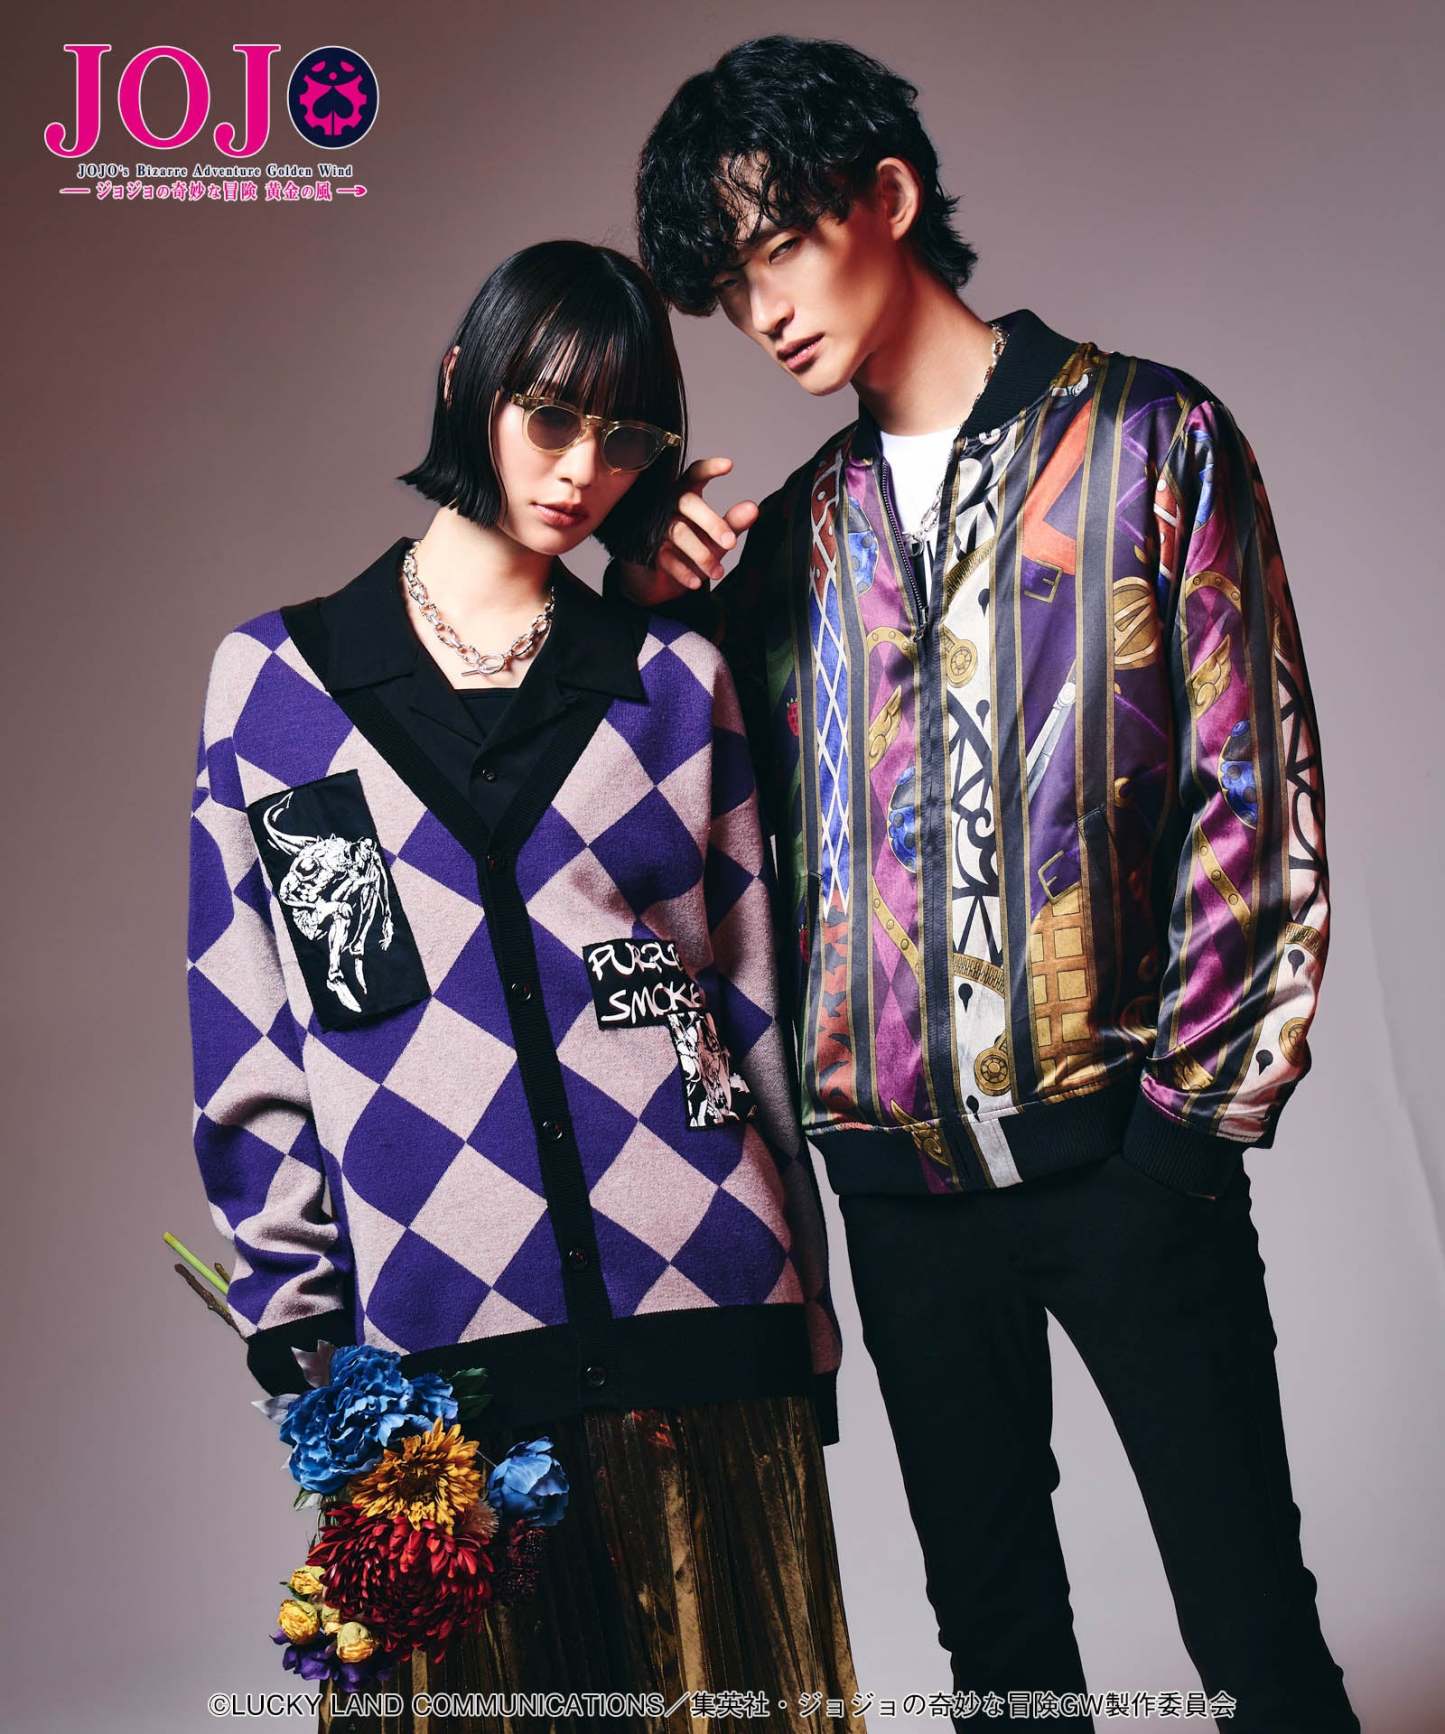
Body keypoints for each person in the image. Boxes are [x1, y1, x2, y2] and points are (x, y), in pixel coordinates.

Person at [606, 35, 1359, 1734]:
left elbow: (1252, 794)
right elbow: (674, 840)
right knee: (1000, 1660)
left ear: (884, 196)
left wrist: (1184, 1137)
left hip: (1127, 1157)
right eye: (727, 285)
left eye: (778, 246)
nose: (761, 312)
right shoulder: (787, 549)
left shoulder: (1149, 438)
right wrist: (640, 608)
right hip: (899, 1200)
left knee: (1254, 1631)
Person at [184, 238, 864, 1731]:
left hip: (704, 1293)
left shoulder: (668, 677)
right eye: (551, 417)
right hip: (440, 1347)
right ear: (465, 386)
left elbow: (749, 1000)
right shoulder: (283, 688)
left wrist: (808, 1302)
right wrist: (298, 1320)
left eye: (624, 439)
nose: (580, 470)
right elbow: (257, 1033)